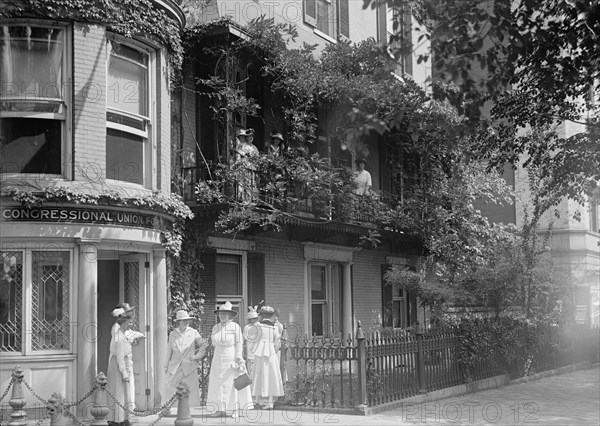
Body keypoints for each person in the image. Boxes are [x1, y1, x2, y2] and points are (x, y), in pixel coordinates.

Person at [205, 301, 254, 418]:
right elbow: (213, 342)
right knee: (217, 384)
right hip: (218, 357)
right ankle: (220, 409)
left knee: (231, 383)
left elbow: (239, 343)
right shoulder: (215, 327)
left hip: (230, 356)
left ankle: (235, 409)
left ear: (230, 315)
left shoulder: (235, 327)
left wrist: (238, 357)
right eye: (221, 314)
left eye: (225, 314)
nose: (223, 316)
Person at [107, 303, 140, 426]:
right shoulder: (117, 329)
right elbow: (119, 348)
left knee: (125, 392)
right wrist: (124, 371)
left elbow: (125, 340)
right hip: (119, 362)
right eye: (127, 312)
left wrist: (131, 340)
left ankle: (124, 417)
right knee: (118, 392)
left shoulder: (122, 332)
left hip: (124, 361)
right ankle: (116, 419)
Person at [164, 309, 206, 408]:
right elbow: (169, 351)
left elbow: (203, 346)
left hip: (189, 366)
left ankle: (189, 411)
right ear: (178, 322)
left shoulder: (193, 332)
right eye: (183, 320)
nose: (186, 322)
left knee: (190, 390)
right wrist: (166, 366)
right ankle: (173, 409)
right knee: (170, 387)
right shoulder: (173, 334)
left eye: (187, 320)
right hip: (175, 366)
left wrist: (197, 357)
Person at [250, 306, 284, 409]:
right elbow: (277, 344)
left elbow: (253, 339)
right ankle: (269, 401)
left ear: (261, 316)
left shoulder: (257, 326)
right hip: (270, 353)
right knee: (270, 375)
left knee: (258, 373)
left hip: (260, 352)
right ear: (270, 316)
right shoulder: (274, 328)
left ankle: (258, 400)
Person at [234, 128, 259, 203]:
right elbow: (237, 153)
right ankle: (242, 199)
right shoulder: (242, 145)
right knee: (242, 183)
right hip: (244, 166)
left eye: (252, 136)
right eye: (249, 136)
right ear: (246, 137)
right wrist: (243, 156)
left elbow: (257, 157)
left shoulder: (254, 147)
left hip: (252, 167)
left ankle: (250, 200)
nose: (251, 138)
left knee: (251, 183)